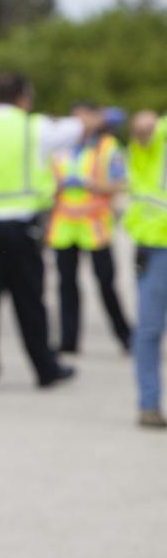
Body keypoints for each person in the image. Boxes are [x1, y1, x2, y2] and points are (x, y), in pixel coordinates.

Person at [0, 72, 87, 388]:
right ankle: (45, 368)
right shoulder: (32, 126)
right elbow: (77, 128)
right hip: (21, 231)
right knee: (30, 301)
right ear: (23, 96)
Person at [46, 103, 131, 353]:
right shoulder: (59, 148)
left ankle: (125, 336)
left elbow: (118, 184)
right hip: (64, 227)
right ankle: (68, 341)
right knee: (66, 286)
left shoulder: (107, 146)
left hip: (95, 226)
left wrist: (91, 185)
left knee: (106, 284)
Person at [127, 109, 167, 427]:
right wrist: (144, 126)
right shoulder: (162, 132)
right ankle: (149, 405)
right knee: (150, 329)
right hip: (158, 245)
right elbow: (144, 132)